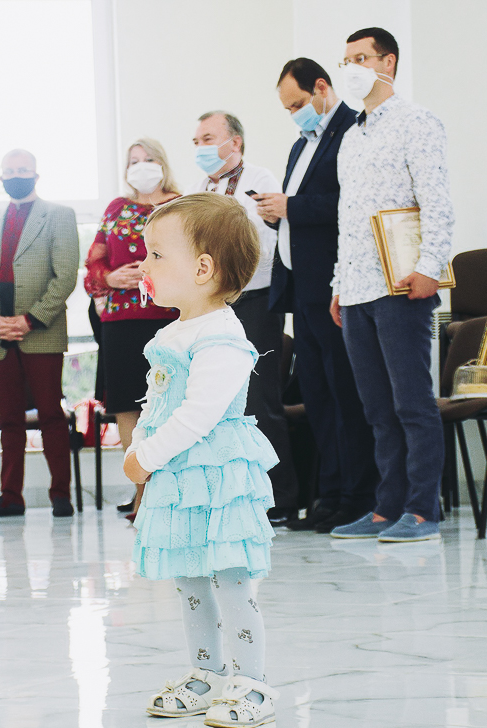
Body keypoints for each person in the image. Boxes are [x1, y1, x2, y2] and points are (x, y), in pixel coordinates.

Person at [124, 193, 279, 728]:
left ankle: (252, 682)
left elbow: (199, 414)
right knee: (189, 579)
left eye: (156, 254)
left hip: (217, 475)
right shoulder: (171, 333)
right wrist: (139, 445)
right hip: (181, 478)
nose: (144, 264)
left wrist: (145, 457)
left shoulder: (222, 335)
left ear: (203, 269)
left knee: (231, 581)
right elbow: (156, 402)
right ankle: (206, 672)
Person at [329, 27, 454, 543]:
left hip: (402, 285)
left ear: (389, 63)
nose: (352, 68)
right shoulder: (350, 137)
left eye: (361, 58)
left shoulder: (417, 122)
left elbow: (437, 201)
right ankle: (387, 508)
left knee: (412, 405)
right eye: (346, 61)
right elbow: (348, 217)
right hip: (357, 289)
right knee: (378, 410)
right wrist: (338, 283)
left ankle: (423, 510)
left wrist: (430, 266)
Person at [256, 58, 378, 533]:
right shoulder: (299, 145)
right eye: (288, 108)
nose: (294, 114)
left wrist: (292, 207)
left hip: (333, 285)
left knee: (344, 394)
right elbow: (299, 211)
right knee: (319, 397)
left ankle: (356, 496)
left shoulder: (351, 132)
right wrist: (276, 214)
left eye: (298, 104)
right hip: (300, 289)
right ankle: (327, 496)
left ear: (322, 87)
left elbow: (349, 204)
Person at [190, 111, 299, 526]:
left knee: (260, 399)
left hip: (255, 299)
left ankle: (281, 498)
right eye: (196, 140)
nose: (200, 147)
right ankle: (230, 497)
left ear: (234, 142)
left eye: (208, 138)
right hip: (213, 304)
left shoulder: (259, 179)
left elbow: (268, 242)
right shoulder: (200, 188)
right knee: (216, 403)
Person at [0, 149, 79, 518]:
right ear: (1, 177)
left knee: (51, 416)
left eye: (23, 170)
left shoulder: (60, 216)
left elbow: (65, 276)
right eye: (10, 171)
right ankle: (10, 497)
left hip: (41, 332)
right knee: (8, 420)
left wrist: (30, 319)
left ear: (36, 174)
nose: (16, 176)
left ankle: (61, 496)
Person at [84, 138, 180, 516]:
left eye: (149, 159)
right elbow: (94, 262)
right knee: (127, 407)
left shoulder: (180, 204)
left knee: (167, 404)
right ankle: (141, 492)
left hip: (167, 319)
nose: (141, 166)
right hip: (120, 322)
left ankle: (168, 490)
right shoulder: (116, 208)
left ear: (163, 163)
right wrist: (109, 277)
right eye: (133, 161)